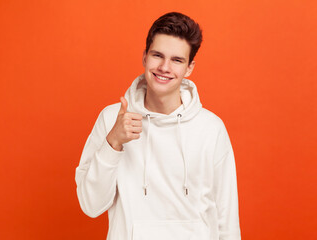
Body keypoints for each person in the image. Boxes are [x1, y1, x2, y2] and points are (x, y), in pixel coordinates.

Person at [75, 12, 241, 240]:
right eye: (157, 55)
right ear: (144, 57)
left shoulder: (211, 128)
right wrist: (113, 143)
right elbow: (90, 205)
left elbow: (227, 217)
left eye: (177, 60)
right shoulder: (113, 119)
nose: (164, 67)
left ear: (189, 68)